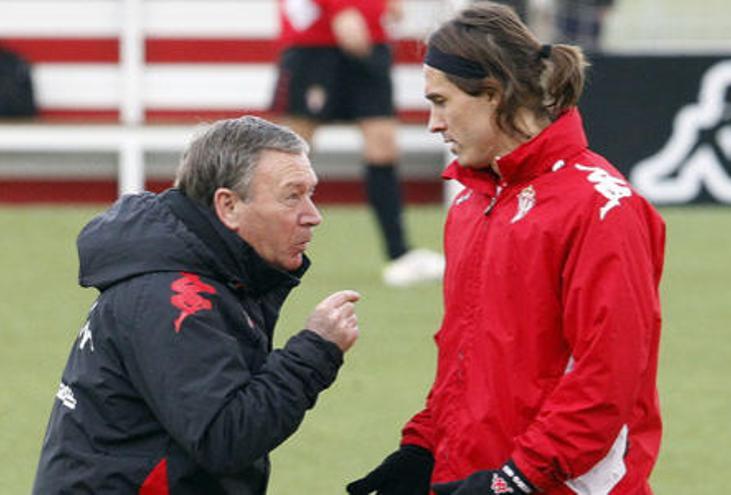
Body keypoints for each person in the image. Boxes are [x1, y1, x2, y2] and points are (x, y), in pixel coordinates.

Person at [347, 3, 665, 495]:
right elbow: (464, 360)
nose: (433, 123)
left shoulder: (601, 208)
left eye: (441, 101)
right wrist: (421, 449)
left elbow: (606, 379)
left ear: (493, 95)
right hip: (475, 479)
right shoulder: (473, 203)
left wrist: (515, 479)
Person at [32, 115, 361, 494]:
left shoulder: (209, 270)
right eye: (292, 196)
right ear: (229, 206)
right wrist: (314, 351)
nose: (312, 216)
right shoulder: (175, 298)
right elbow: (225, 438)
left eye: (311, 193)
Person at [271, 0, 445, 287]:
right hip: (315, 42)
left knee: (384, 145)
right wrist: (339, 7)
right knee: (290, 152)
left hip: (370, 38)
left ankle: (399, 254)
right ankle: (262, 252)